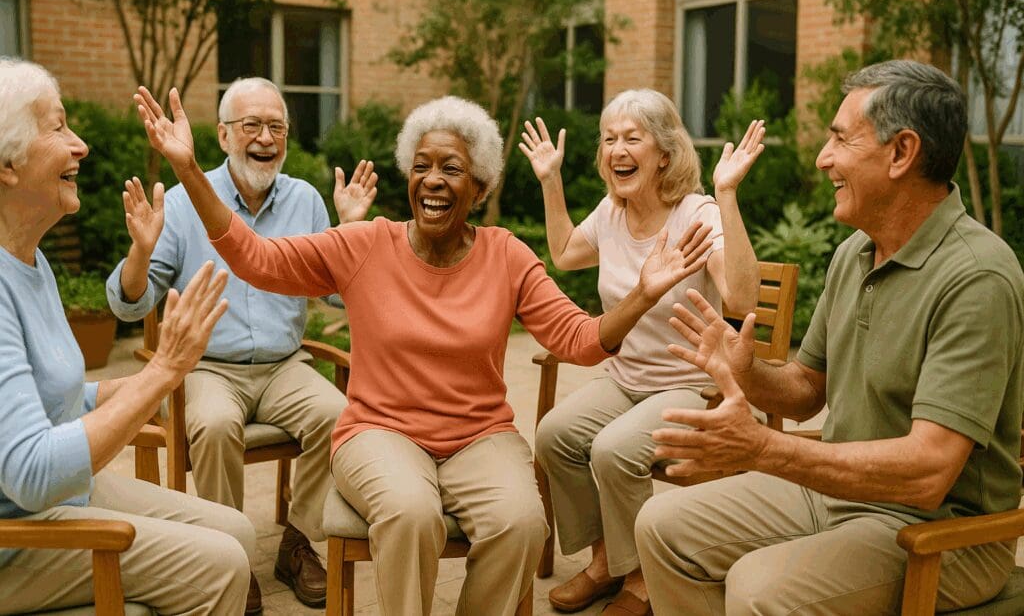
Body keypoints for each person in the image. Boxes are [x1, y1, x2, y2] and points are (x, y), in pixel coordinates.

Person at [134, 86, 714, 616]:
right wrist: (188, 167)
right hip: (379, 431)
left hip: (479, 435)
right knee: (410, 515)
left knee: (521, 522)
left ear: (480, 187)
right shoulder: (365, 244)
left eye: (452, 169)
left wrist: (641, 295)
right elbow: (255, 258)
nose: (433, 179)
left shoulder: (505, 254)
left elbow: (580, 341)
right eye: (422, 166)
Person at [636, 60, 1024, 615]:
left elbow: (929, 471)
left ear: (901, 153)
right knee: (661, 526)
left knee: (758, 587)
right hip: (838, 493)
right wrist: (745, 370)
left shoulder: (977, 276)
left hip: (941, 531)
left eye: (840, 139)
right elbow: (804, 389)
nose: (823, 159)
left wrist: (763, 448)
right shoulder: (854, 254)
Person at [105, 76, 377, 613]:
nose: (265, 138)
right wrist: (139, 254)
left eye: (276, 126)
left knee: (340, 415)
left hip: (284, 365)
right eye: (251, 125)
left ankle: (297, 542)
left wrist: (352, 234)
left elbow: (340, 298)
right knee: (213, 424)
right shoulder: (184, 204)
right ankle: (227, 554)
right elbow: (130, 305)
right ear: (224, 136)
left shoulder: (304, 200)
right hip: (206, 366)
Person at [0, 57, 254, 615]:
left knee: (239, 530)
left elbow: (56, 401)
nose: (81, 144)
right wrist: (162, 372)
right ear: (8, 166)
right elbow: (29, 474)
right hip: (17, 537)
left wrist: (151, 382)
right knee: (223, 566)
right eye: (58, 127)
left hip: (63, 496)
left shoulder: (30, 260)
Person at [519, 89, 761, 615]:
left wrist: (727, 196)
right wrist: (550, 180)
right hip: (625, 378)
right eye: (609, 139)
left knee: (612, 449)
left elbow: (741, 299)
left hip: (688, 383)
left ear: (665, 153)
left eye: (632, 138)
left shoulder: (697, 214)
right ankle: (606, 561)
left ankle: (643, 582)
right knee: (554, 436)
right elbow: (562, 254)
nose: (617, 149)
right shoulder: (612, 212)